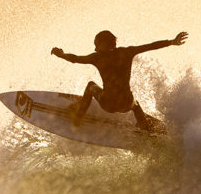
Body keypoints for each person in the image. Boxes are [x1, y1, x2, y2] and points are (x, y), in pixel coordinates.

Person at [51, 30, 188, 131]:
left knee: (91, 85)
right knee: (135, 103)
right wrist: (171, 42)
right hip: (126, 103)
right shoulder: (126, 52)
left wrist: (61, 54)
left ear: (103, 44)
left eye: (96, 45)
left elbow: (75, 59)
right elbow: (150, 46)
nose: (95, 48)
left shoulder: (97, 57)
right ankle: (144, 126)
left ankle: (77, 119)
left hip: (108, 104)